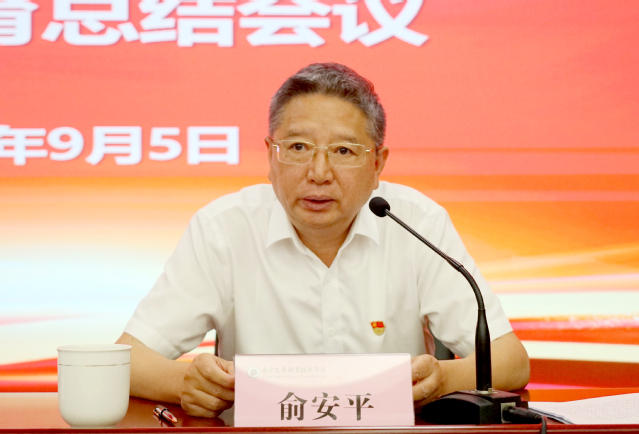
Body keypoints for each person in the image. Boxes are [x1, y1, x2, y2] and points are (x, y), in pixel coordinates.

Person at [116, 63, 530, 418]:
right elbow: (125, 360)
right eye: (298, 147)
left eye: (344, 151)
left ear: (377, 164)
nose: (318, 173)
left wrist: (443, 378)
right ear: (271, 156)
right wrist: (185, 382)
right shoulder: (224, 228)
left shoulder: (416, 221)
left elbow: (511, 361)